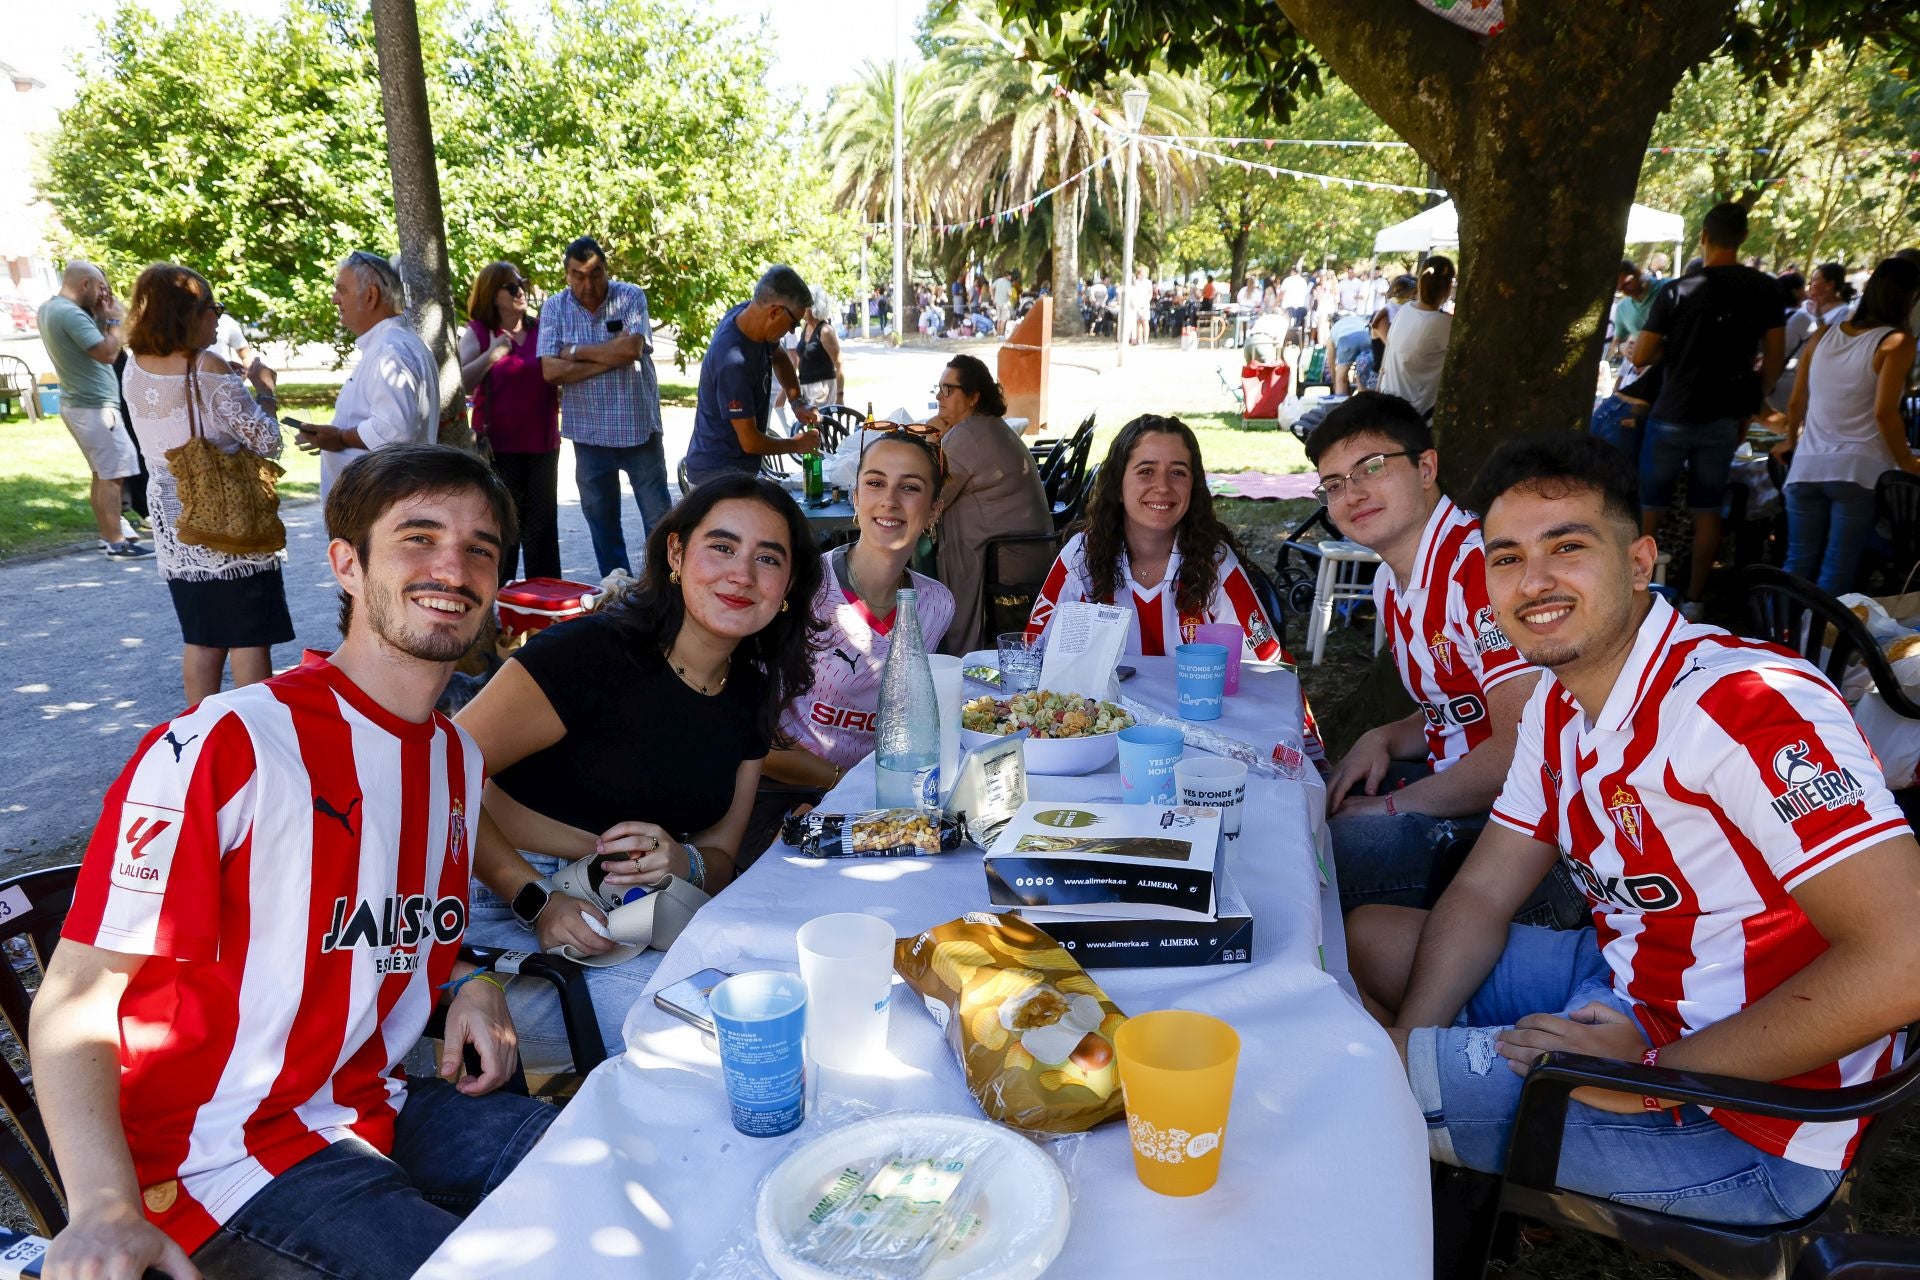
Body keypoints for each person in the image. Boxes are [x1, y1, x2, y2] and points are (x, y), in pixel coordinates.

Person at [1347, 431, 1920, 1226]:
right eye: (1506, 557)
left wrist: (1650, 1072)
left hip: (1748, 1121)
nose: (1534, 580)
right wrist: (1416, 1040)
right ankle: (1433, 1130)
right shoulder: (1556, 701)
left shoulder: (1743, 706)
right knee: (1367, 942)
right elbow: (1481, 891)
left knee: (1342, 1090)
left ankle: (1414, 1148)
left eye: (1567, 546)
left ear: (1641, 561)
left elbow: (1906, 961)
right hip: (1631, 986)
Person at [33, 444, 553, 1280]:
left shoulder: (453, 758)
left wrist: (467, 982)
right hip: (215, 1165)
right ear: (347, 564)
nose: (452, 567)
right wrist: (100, 1207)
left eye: (480, 548)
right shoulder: (226, 743)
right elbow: (77, 992)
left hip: (369, 1109)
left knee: (613, 1156)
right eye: (417, 537)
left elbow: (387, 929)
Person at [456, 476, 822, 1064]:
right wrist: (535, 900)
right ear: (676, 554)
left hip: (643, 914)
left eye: (767, 558)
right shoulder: (589, 655)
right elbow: (432, 774)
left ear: (788, 586)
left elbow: (719, 856)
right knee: (718, 1048)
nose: (742, 575)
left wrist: (684, 860)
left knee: (790, 1004)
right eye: (722, 547)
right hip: (504, 912)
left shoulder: (749, 686)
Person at [1304, 392, 1546, 905]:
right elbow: (1459, 708)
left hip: (1521, 819)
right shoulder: (1389, 583)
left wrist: (1392, 808)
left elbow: (1521, 747)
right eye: (1334, 484)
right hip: (1453, 780)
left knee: (1308, 860)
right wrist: (1385, 736)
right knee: (1301, 800)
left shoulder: (1479, 569)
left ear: (1426, 467)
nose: (1353, 493)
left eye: (1371, 467)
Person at [744, 431, 954, 866]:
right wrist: (842, 784)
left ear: (934, 510)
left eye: (910, 487)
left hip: (882, 799)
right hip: (781, 793)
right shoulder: (801, 588)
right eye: (875, 483)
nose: (890, 500)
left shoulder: (936, 605)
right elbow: (752, 736)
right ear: (854, 496)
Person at [123, 263, 294, 706]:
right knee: (248, 636)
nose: (218, 316)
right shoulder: (207, 365)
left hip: (175, 517)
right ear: (186, 314)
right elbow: (267, 441)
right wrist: (266, 390)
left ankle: (199, 736)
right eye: (211, 307)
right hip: (227, 516)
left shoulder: (135, 366)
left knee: (201, 637)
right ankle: (251, 737)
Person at [1027, 414, 1286, 663]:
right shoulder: (1081, 556)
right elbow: (1032, 653)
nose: (1162, 486)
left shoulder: (1214, 561)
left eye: (1178, 472)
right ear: (1118, 486)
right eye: (1146, 471)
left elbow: (1266, 668)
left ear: (1193, 488)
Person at [1631, 202, 1786, 615]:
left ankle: (1640, 594)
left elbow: (1641, 354)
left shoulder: (1678, 290)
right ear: (1743, 238)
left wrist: (1673, 347)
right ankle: (1696, 601)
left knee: (1652, 512)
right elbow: (1775, 357)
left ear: (1704, 236)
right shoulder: (1766, 289)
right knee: (1707, 513)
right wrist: (1754, 398)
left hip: (1672, 412)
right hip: (1723, 418)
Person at [1779, 257, 1920, 595]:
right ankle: (1818, 647)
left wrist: (1790, 442)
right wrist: (1908, 463)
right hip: (1857, 471)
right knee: (1836, 574)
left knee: (1796, 565)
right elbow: (1885, 413)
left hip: (1807, 466)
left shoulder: (1824, 335)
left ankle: (1775, 642)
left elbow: (1797, 403)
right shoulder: (1897, 341)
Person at [536, 236, 672, 578]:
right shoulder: (554, 307)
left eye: (595, 273)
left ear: (607, 270)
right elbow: (550, 371)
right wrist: (609, 356)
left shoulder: (629, 296)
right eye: (577, 275)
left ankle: (669, 586)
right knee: (602, 523)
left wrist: (573, 351)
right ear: (566, 275)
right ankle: (618, 594)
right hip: (589, 434)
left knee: (661, 522)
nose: (587, 283)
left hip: (638, 428)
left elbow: (631, 349)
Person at [924, 355, 1051, 655]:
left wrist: (930, 439)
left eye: (948, 389)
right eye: (938, 388)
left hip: (1006, 558)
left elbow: (930, 495)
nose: (939, 398)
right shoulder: (983, 427)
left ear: (973, 397)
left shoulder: (969, 434)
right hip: (1020, 550)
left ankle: (951, 658)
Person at [295, 251, 437, 504]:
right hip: (385, 502)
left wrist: (339, 438)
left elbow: (395, 431)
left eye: (342, 290)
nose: (334, 299)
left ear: (371, 296)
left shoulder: (390, 350)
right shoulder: (392, 344)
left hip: (382, 506)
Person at [38, 261, 150, 558]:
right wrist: (114, 321)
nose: (104, 295)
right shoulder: (71, 313)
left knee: (102, 473)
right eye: (101, 287)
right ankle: (116, 542)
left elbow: (91, 346)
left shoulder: (51, 308)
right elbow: (107, 353)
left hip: (81, 404)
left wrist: (102, 321)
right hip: (96, 408)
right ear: (84, 284)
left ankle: (108, 535)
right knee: (113, 475)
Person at [460, 261, 561, 582]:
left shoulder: (541, 328)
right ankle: (498, 606)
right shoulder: (478, 332)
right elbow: (459, 383)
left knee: (542, 529)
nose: (522, 291)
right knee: (503, 528)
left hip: (543, 442)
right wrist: (491, 355)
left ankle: (543, 606)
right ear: (492, 293)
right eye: (512, 286)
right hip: (499, 448)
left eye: (523, 284)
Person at [684, 265, 823, 488]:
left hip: (740, 470)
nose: (791, 332)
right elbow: (750, 442)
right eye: (793, 323)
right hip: (715, 478)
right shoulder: (733, 362)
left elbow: (779, 357)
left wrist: (797, 402)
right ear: (775, 312)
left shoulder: (751, 320)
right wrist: (796, 445)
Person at [1378, 255, 1455, 417]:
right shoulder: (1443, 323)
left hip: (1389, 407)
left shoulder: (1405, 310)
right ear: (1449, 288)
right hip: (1416, 416)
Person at [793, 286, 845, 409]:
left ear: (812, 306)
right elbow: (801, 358)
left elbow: (839, 363)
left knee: (821, 427)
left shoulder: (825, 331)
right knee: (808, 427)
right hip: (805, 388)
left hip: (822, 389)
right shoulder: (806, 327)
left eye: (803, 304)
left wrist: (840, 395)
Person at [1609, 260, 1653, 372]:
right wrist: (1622, 347)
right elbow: (1616, 343)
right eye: (1620, 289)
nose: (1625, 290)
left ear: (1637, 273)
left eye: (1627, 283)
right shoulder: (1622, 308)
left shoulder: (1667, 288)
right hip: (1644, 371)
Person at [1279, 265, 1310, 348]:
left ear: (1292, 271)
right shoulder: (1303, 281)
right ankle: (1299, 343)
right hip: (1300, 309)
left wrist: (1276, 304)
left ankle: (1283, 343)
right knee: (1299, 326)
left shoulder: (1288, 280)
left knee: (1284, 326)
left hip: (1288, 308)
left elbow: (1281, 294)